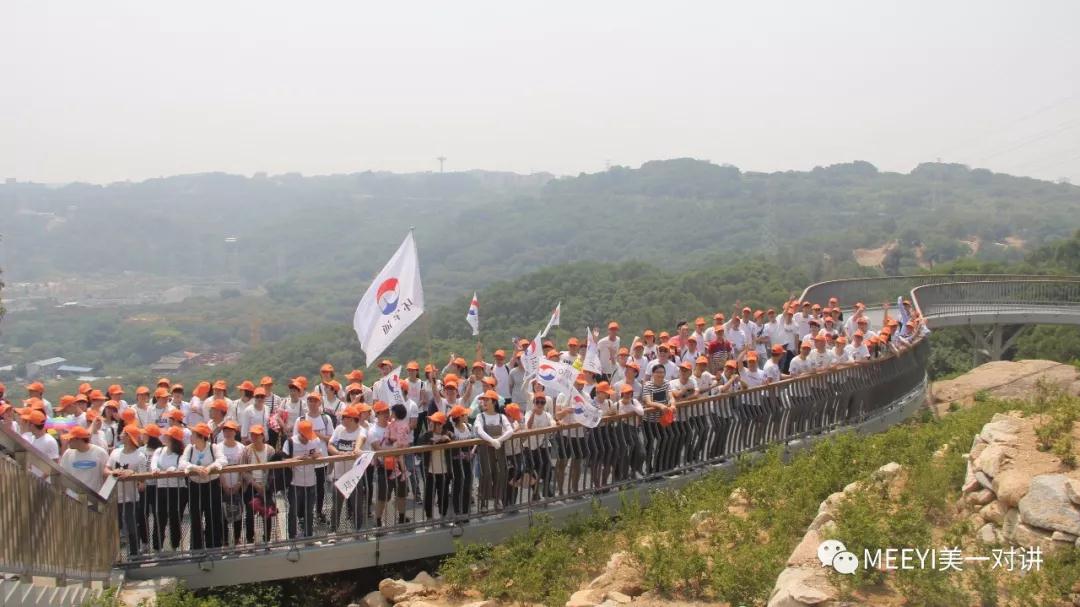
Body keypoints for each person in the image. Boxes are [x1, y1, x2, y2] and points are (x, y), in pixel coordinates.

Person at [181, 422, 226, 550]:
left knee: (213, 516)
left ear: (200, 436)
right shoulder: (189, 448)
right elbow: (182, 463)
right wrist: (195, 468)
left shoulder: (213, 447)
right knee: (195, 518)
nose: (191, 436)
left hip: (212, 486)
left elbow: (222, 460)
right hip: (195, 487)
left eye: (193, 434)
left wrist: (209, 468)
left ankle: (214, 547)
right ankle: (197, 548)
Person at [107, 425, 149, 557]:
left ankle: (134, 555)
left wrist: (132, 474)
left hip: (131, 498)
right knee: (115, 528)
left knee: (131, 528)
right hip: (114, 497)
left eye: (124, 433)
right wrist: (113, 472)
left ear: (130, 437)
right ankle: (116, 556)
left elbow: (142, 483)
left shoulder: (140, 456)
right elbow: (106, 469)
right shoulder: (115, 452)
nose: (121, 435)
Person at [285, 419, 327, 539]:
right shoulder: (290, 442)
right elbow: (283, 460)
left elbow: (320, 455)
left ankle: (308, 535)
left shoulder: (315, 440)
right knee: (293, 511)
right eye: (305, 436)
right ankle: (292, 536)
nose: (308, 439)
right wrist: (298, 459)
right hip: (295, 483)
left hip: (311, 482)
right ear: (300, 433)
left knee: (309, 511)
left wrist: (316, 456)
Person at [328, 406, 366, 533]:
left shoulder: (361, 430)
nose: (342, 419)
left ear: (352, 419)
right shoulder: (339, 429)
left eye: (344, 417)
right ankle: (333, 531)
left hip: (354, 476)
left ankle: (358, 531)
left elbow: (361, 439)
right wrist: (338, 453)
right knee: (336, 506)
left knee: (357, 506)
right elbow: (330, 445)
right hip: (338, 474)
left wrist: (357, 449)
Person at [473, 390, 513, 510]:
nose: (484, 402)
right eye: (483, 400)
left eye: (487, 400)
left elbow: (510, 430)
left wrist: (499, 440)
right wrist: (492, 441)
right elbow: (480, 431)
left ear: (494, 402)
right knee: (486, 474)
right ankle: (483, 503)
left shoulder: (501, 417)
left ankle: (498, 500)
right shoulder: (480, 416)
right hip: (485, 450)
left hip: (499, 450)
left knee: (500, 473)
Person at [241, 424, 275, 543]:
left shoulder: (270, 450)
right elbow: (243, 470)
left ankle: (267, 539)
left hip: (266, 486)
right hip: (251, 486)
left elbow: (273, 470)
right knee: (250, 514)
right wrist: (255, 484)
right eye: (252, 435)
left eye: (257, 435)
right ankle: (250, 539)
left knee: (267, 513)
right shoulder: (246, 450)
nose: (254, 437)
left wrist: (265, 485)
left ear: (262, 436)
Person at [217, 420, 249, 545]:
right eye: (225, 430)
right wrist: (224, 484)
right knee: (223, 512)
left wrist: (239, 483)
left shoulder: (242, 447)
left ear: (235, 432)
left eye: (230, 430)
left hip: (237, 484)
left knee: (238, 512)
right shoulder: (218, 447)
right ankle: (224, 539)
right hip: (223, 484)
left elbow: (243, 467)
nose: (228, 432)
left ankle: (237, 538)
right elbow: (218, 467)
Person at [418, 411, 452, 519]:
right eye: (431, 422)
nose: (431, 424)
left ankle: (443, 516)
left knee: (444, 494)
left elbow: (453, 441)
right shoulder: (426, 435)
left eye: (435, 422)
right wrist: (433, 442)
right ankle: (429, 517)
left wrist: (445, 439)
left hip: (444, 470)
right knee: (429, 495)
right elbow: (418, 446)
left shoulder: (448, 434)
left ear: (441, 424)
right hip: (430, 471)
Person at [522, 392, 554, 500]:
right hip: (530, 446)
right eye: (537, 402)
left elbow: (552, 423)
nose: (540, 404)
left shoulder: (547, 415)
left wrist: (554, 425)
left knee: (547, 468)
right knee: (531, 470)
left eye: (542, 402)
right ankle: (535, 492)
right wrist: (533, 413)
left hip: (543, 445)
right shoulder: (528, 413)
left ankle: (546, 488)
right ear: (534, 403)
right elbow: (528, 426)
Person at [447, 405, 474, 519]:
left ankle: (465, 512)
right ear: (459, 417)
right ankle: (457, 512)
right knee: (457, 485)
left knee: (467, 485)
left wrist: (472, 452)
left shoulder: (469, 426)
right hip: (456, 462)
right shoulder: (452, 430)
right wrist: (461, 453)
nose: (466, 416)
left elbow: (475, 441)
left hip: (468, 460)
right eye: (464, 414)